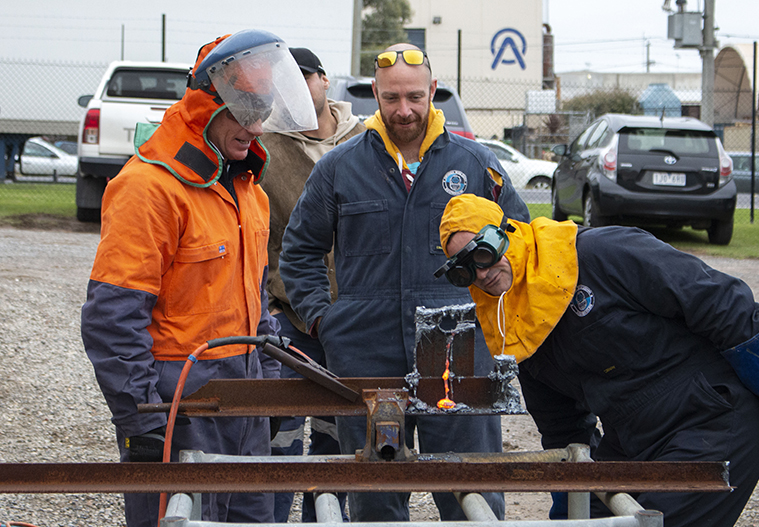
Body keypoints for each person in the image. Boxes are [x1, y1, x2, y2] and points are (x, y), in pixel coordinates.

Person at [436, 193, 759, 527]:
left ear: (508, 234)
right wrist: (569, 504)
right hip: (632, 441)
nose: (483, 274)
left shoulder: (600, 253)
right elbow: (562, 426)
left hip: (711, 421)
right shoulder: (514, 324)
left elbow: (721, 302)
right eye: (466, 271)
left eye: (484, 254)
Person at [279, 43, 530, 521]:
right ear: (375, 93)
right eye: (391, 98)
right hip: (365, 355)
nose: (404, 110)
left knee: (470, 487)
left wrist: (496, 306)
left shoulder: (476, 164)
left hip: (459, 353)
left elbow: (520, 239)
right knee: (375, 493)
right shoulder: (339, 167)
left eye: (415, 97)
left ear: (432, 91)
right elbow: (300, 251)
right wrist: (322, 321)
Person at [81, 29, 317, 527]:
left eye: (263, 111)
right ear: (208, 103)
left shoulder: (248, 189)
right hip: (180, 404)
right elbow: (111, 317)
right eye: (245, 109)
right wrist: (141, 417)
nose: (256, 125)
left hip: (245, 401)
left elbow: (256, 301)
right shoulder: (149, 188)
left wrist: (270, 387)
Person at [258, 46, 365, 522]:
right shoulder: (265, 148)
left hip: (352, 320)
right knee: (279, 436)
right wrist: (269, 304)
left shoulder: (363, 140)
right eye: (286, 84)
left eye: (306, 78)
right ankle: (274, 517)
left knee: (337, 438)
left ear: (325, 80)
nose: (298, 90)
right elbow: (256, 232)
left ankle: (323, 519)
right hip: (292, 317)